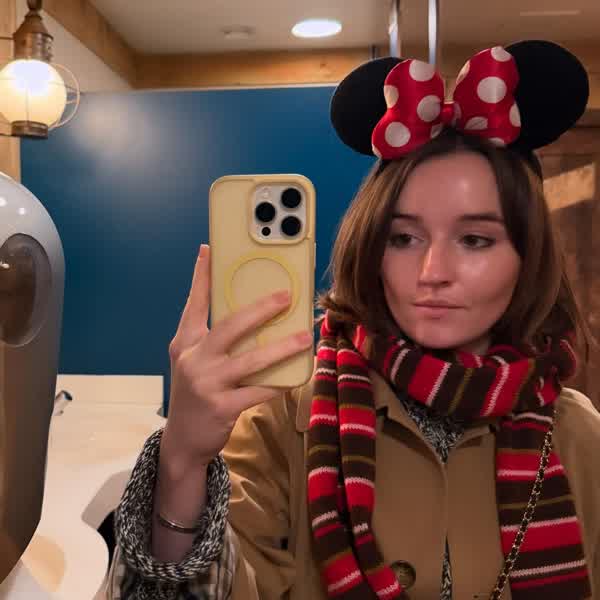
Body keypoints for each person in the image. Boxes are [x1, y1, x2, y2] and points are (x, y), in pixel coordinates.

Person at [106, 40, 600, 600]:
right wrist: (181, 461)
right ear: (372, 248)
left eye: (475, 239)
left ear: (526, 258)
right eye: (404, 237)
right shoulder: (284, 417)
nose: (432, 272)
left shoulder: (576, 436)